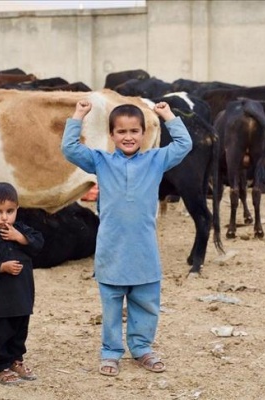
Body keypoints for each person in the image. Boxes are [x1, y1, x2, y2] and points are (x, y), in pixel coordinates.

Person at [61, 101, 192, 376]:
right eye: (121, 131)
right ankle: (110, 352)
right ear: (111, 135)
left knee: (146, 303)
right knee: (110, 307)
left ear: (144, 134)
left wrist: (168, 115)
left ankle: (142, 348)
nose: (128, 136)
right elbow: (69, 149)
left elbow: (183, 144)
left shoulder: (155, 160)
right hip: (111, 251)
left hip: (144, 251)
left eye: (134, 131)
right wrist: (78, 117)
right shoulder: (101, 161)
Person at [0, 182, 44, 385]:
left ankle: (16, 360)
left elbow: (39, 243)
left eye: (9, 211)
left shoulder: (23, 231)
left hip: (22, 294)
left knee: (20, 329)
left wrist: (20, 238)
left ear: (17, 210)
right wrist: (0, 267)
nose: (4, 217)